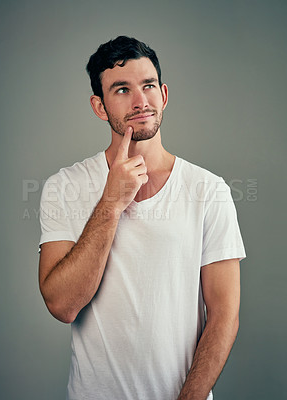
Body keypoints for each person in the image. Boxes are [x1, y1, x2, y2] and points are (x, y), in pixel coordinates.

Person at [38, 36, 246, 400]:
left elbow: (224, 315)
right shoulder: (65, 186)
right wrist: (111, 203)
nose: (140, 101)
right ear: (100, 107)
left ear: (163, 94)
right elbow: (62, 305)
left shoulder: (209, 189)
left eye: (148, 85)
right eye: (121, 89)